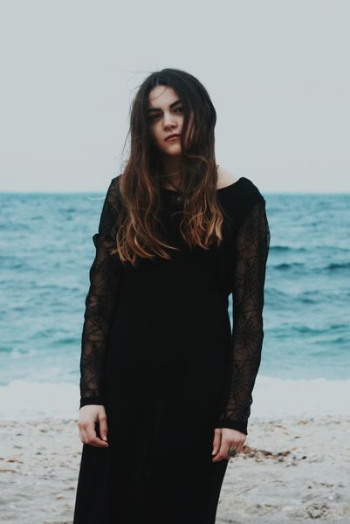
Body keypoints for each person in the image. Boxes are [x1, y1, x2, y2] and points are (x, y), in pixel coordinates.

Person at [73, 68, 271, 524]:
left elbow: (248, 317)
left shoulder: (243, 201)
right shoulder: (124, 193)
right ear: (145, 127)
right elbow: (100, 301)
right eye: (156, 114)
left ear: (200, 113)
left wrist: (235, 414)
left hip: (199, 391)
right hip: (122, 386)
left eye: (178, 109)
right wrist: (90, 395)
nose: (169, 122)